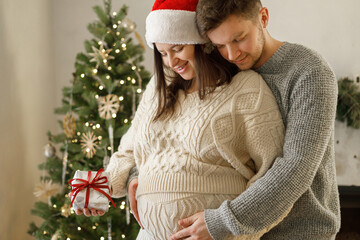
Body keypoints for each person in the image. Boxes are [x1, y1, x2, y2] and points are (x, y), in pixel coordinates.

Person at [74, 0, 289, 239]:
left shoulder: (246, 88)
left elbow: (272, 175)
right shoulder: (159, 86)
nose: (171, 61)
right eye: (163, 53)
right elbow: (129, 151)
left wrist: (231, 229)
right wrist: (103, 187)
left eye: (177, 49)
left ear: (202, 43)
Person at [166, 0, 341, 239]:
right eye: (220, 45)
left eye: (239, 38)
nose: (231, 54)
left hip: (299, 233)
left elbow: (297, 167)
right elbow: (176, 129)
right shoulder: (225, 72)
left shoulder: (309, 71)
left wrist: (221, 222)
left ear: (264, 18)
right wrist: (140, 176)